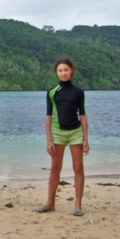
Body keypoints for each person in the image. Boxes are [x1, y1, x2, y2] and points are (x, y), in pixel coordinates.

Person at [35, 58, 89, 217]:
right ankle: (50, 202)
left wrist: (86, 138)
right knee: (55, 168)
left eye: (66, 70)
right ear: (57, 73)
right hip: (58, 133)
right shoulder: (52, 92)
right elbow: (48, 116)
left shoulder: (78, 92)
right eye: (60, 70)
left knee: (78, 167)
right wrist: (49, 139)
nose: (63, 73)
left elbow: (83, 115)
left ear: (71, 71)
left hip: (75, 133)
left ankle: (78, 204)